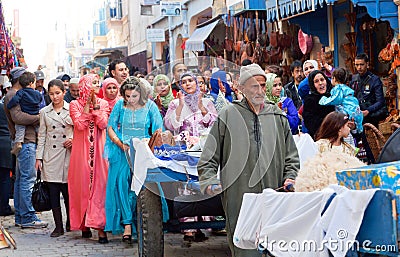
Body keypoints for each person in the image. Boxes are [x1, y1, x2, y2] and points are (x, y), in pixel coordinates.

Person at [198, 63, 300, 257]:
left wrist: (290, 177)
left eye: (263, 85)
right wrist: (210, 180)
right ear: (242, 88)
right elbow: (209, 156)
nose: (260, 90)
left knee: (275, 247)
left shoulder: (277, 115)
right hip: (240, 196)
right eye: (254, 86)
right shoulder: (228, 115)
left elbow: (291, 156)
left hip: (274, 194)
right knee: (245, 248)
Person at [104, 76, 163, 243]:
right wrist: (119, 143)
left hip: (144, 151)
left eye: (134, 96)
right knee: (122, 186)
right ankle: (127, 223)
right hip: (122, 151)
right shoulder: (119, 106)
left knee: (143, 187)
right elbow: (110, 127)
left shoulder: (150, 106)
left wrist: (148, 140)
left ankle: (145, 222)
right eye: (127, 96)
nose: (130, 100)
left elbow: (158, 129)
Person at [3, 67, 48, 228]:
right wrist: (40, 117)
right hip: (26, 142)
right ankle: (28, 216)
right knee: (27, 180)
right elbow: (18, 117)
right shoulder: (13, 95)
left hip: (25, 141)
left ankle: (22, 216)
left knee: (22, 179)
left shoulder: (15, 94)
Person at [68, 74, 110, 243]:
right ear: (84, 85)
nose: (95, 86)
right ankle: (84, 224)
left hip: (100, 153)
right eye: (92, 83)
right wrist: (87, 106)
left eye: (97, 83)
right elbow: (79, 125)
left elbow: (103, 124)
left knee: (100, 187)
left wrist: (96, 107)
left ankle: (100, 228)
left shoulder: (104, 103)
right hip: (81, 154)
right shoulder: (74, 104)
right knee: (82, 187)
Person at [34, 79, 73, 237]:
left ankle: (71, 221)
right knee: (54, 192)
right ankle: (58, 226)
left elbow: (80, 129)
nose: (55, 97)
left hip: (68, 154)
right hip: (51, 155)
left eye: (58, 93)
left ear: (64, 92)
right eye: (51, 94)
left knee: (68, 192)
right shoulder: (44, 112)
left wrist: (74, 139)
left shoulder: (72, 109)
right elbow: (41, 136)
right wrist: (39, 158)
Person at [164, 72, 218, 137]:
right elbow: (170, 126)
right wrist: (180, 105)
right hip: (184, 143)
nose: (187, 84)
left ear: (196, 83)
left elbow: (214, 124)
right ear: (181, 86)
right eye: (184, 82)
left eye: (190, 81)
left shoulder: (206, 102)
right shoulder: (175, 103)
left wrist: (201, 106)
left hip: (204, 142)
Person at [7, 72, 42, 155]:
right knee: (38, 129)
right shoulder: (37, 93)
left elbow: (15, 100)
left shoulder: (21, 92)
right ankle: (39, 138)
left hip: (26, 113)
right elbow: (40, 99)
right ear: (30, 83)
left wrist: (9, 106)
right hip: (35, 114)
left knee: (20, 128)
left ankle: (18, 143)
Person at [319, 67, 363, 133]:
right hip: (355, 110)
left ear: (334, 78)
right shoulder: (346, 88)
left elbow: (336, 99)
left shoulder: (338, 88)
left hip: (347, 112)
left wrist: (323, 100)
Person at [349, 53, 387, 127]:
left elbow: (380, 101)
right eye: (357, 65)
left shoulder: (375, 80)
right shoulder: (354, 79)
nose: (359, 67)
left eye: (361, 64)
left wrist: (368, 111)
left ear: (367, 64)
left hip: (372, 117)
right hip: (357, 117)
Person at [302, 70, 335, 139]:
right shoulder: (309, 101)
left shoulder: (334, 96)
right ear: (312, 84)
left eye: (322, 80)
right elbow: (311, 123)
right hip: (319, 139)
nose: (320, 83)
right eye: (316, 81)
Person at [0, 101, 13, 216]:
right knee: (4, 178)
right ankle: (4, 207)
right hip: (5, 143)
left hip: (4, 142)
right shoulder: (4, 106)